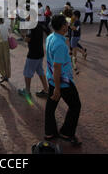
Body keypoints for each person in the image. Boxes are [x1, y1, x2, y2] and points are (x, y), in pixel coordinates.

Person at [44, 15, 82, 146]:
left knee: (51, 106)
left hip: (52, 78)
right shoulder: (60, 44)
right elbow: (57, 66)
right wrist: (58, 89)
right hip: (62, 81)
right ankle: (66, 132)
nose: (67, 25)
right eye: (66, 24)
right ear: (62, 26)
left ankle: (50, 131)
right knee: (75, 105)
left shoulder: (50, 37)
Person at [18, 17, 49, 99]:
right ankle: (46, 90)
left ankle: (27, 91)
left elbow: (27, 39)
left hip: (33, 54)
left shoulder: (31, 26)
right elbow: (49, 31)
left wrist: (22, 36)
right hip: (40, 52)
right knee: (40, 71)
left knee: (27, 73)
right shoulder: (39, 24)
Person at [0, 17, 11, 84]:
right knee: (6, 60)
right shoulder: (6, 26)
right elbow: (9, 35)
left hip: (0, 45)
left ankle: (4, 75)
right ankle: (7, 75)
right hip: (6, 44)